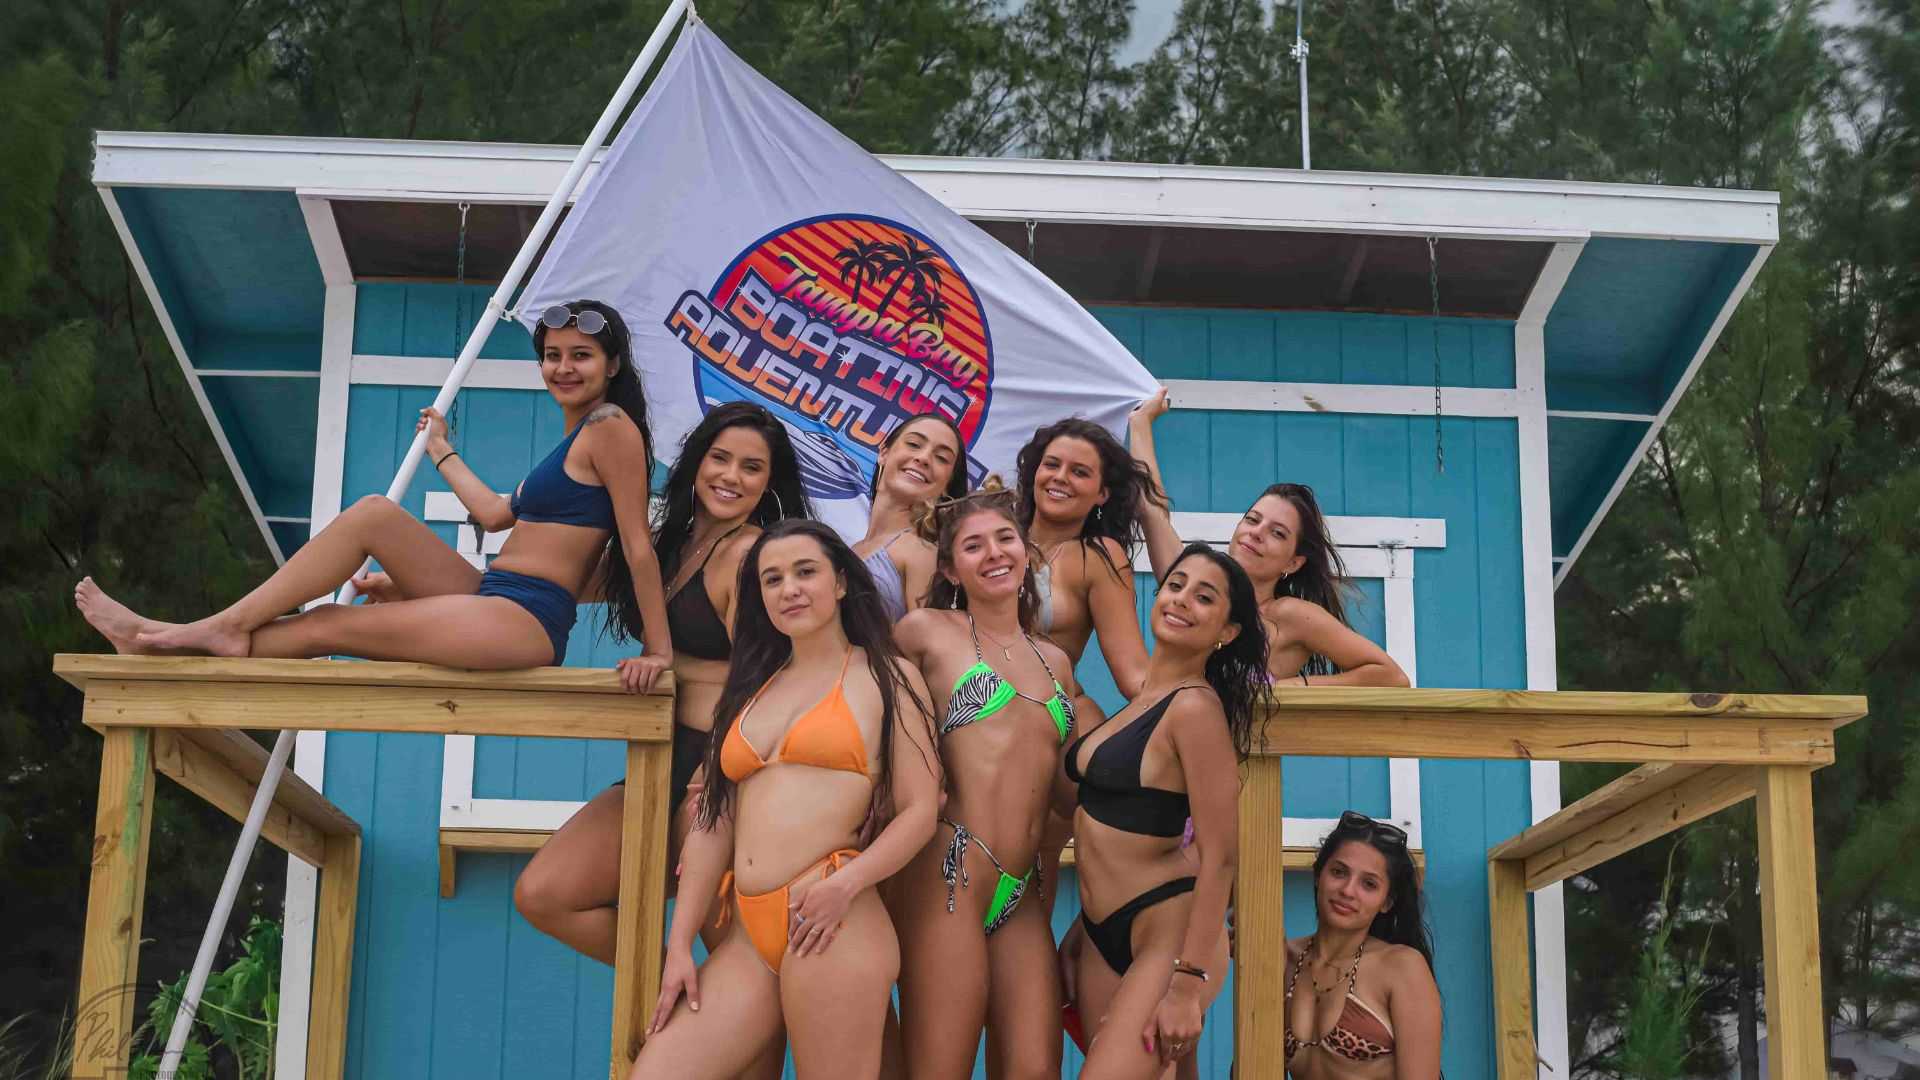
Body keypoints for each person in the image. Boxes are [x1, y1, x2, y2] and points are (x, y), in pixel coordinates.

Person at [74, 300, 672, 676]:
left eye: (582, 356)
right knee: (373, 515)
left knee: (330, 624)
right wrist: (443, 450)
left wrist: (659, 651)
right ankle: (204, 631)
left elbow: (637, 550)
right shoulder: (573, 444)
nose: (564, 368)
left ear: (612, 366)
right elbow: (493, 515)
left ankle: (179, 639)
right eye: (552, 356)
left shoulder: (611, 428)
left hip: (525, 618)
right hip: (495, 592)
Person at [515, 402, 812, 978]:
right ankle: (682, 1016)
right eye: (719, 458)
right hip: (660, 758)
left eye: (751, 468)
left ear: (768, 483)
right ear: (695, 463)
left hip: (722, 773)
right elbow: (541, 584)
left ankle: (710, 1032)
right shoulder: (661, 548)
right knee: (547, 893)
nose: (730, 476)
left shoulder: (750, 556)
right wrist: (407, 590)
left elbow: (768, 679)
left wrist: (674, 676)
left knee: (741, 958)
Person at [635, 521, 941, 1080]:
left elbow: (922, 810)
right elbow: (712, 818)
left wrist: (845, 886)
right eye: (772, 580)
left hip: (833, 920)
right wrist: (680, 942)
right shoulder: (751, 687)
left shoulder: (889, 676)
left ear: (842, 583)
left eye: (805, 572)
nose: (789, 589)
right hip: (749, 936)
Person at [890, 480, 1099, 1080]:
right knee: (940, 1067)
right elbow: (873, 723)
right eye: (974, 547)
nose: (995, 554)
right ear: (952, 570)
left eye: (1005, 539)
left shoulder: (1053, 660)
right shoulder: (925, 631)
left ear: (1027, 554)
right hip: (950, 867)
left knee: (1036, 1068)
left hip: (1024, 886)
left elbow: (1062, 788)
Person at [1057, 543, 1266, 1079]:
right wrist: (1083, 929)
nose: (1181, 601)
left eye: (1204, 597)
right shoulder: (1143, 702)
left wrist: (1187, 983)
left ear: (1229, 631)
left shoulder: (1194, 708)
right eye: (1176, 586)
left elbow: (1220, 855)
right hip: (1103, 933)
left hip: (1168, 935)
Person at [1128, 390, 1408, 688]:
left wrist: (1279, 689)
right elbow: (1153, 511)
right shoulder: (1195, 586)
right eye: (1252, 520)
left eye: (1277, 533)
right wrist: (1141, 422)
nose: (1257, 533)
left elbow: (1391, 676)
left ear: (1294, 561)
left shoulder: (1290, 615)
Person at [1284, 811, 1443, 1078]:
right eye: (1338, 872)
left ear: (1386, 902)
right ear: (1317, 875)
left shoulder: (1401, 967)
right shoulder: (1284, 959)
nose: (1347, 890)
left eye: (1368, 884)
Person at [1013, 418, 1162, 698]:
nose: (1060, 477)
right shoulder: (991, 533)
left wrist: (1191, 691)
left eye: (1079, 472)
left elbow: (1136, 679)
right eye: (1052, 464)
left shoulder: (1097, 557)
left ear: (1102, 493)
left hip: (1048, 721)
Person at [855, 413, 968, 621]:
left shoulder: (922, 553)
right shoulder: (848, 548)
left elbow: (926, 648)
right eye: (914, 444)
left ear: (947, 486)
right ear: (884, 452)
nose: (923, 458)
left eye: (942, 458)